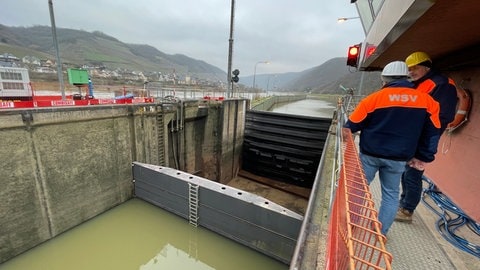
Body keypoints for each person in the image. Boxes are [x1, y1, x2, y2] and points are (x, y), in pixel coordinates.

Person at [344, 61, 441, 236]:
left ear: (384, 80)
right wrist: (423, 157)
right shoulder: (427, 101)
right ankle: (381, 233)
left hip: (369, 155)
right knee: (390, 195)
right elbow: (432, 134)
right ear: (408, 78)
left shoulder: (373, 99)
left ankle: (351, 227)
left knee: (359, 189)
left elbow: (350, 126)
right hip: (399, 159)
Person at [395, 52, 457, 223]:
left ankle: (407, 210)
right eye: (409, 69)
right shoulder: (417, 84)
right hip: (412, 136)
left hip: (424, 137)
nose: (411, 72)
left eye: (415, 68)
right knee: (405, 171)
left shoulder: (442, 84)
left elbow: (443, 116)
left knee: (412, 174)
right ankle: (403, 203)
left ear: (426, 67)